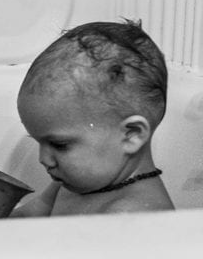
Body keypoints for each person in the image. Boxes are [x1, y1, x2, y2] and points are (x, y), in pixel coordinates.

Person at [11, 19, 174, 218]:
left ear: (132, 134)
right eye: (39, 143)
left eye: (59, 145)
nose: (43, 159)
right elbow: (26, 219)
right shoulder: (71, 186)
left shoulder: (134, 215)